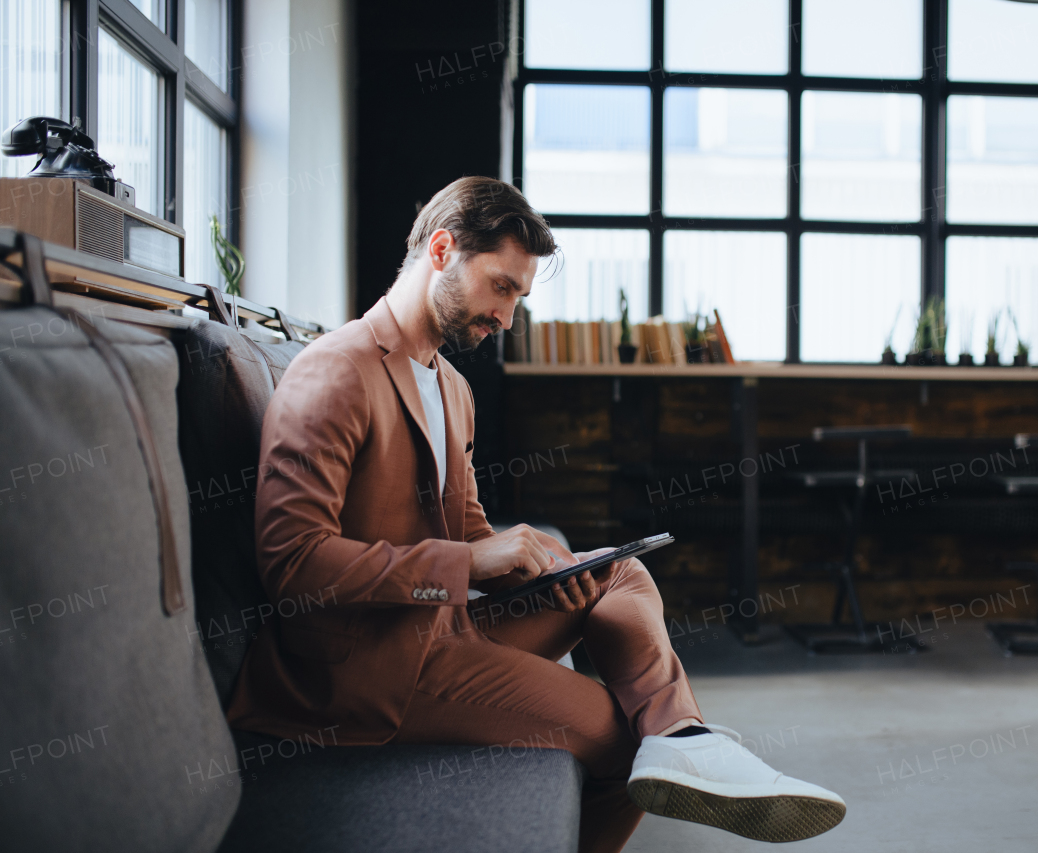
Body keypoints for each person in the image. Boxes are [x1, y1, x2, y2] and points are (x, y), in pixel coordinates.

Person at [227, 176, 845, 852]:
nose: (507, 318)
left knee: (621, 574)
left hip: (441, 624)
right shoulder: (335, 372)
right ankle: (671, 741)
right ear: (442, 250)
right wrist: (470, 561)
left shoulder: (450, 386)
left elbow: (465, 534)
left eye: (518, 296)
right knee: (616, 736)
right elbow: (293, 563)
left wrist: (534, 572)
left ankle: (684, 736)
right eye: (502, 287)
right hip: (364, 669)